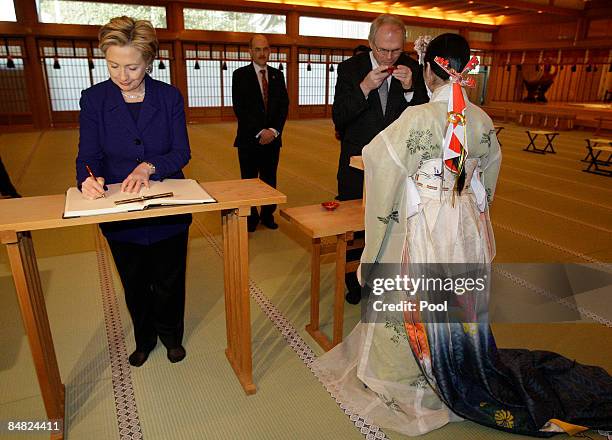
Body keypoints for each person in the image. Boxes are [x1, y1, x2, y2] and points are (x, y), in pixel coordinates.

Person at [313, 33, 612, 437]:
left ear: (427, 69)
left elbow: (379, 161)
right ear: (463, 68)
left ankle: (412, 379)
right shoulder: (482, 119)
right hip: (465, 223)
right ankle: (459, 365)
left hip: (427, 226)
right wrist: (468, 199)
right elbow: (489, 176)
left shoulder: (418, 118)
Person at [76, 16, 192, 367]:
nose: (122, 76)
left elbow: (181, 152)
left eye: (132, 67)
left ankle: (172, 335)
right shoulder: (94, 99)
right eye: (113, 66)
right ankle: (144, 338)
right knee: (134, 281)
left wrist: (150, 166)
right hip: (120, 208)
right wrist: (88, 178)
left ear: (149, 61)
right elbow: (87, 156)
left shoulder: (168, 96)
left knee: (170, 279)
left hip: (166, 202)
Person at [332, 14, 428, 304]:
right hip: (356, 161)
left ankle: (385, 278)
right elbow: (340, 116)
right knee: (355, 223)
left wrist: (412, 89)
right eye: (382, 50)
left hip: (398, 164)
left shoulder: (412, 68)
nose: (388, 57)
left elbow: (425, 118)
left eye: (396, 50)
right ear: (371, 42)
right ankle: (354, 281)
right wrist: (364, 88)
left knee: (392, 222)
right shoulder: (351, 69)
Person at [232, 34, 289, 232]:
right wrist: (260, 131)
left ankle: (267, 214)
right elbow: (240, 108)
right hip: (249, 138)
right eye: (257, 49)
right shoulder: (240, 75)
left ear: (270, 51)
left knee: (269, 179)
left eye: (265, 49)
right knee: (249, 179)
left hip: (273, 139)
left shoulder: (277, 75)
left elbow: (283, 105)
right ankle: (251, 217)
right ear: (250, 52)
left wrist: (273, 131)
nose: (262, 53)